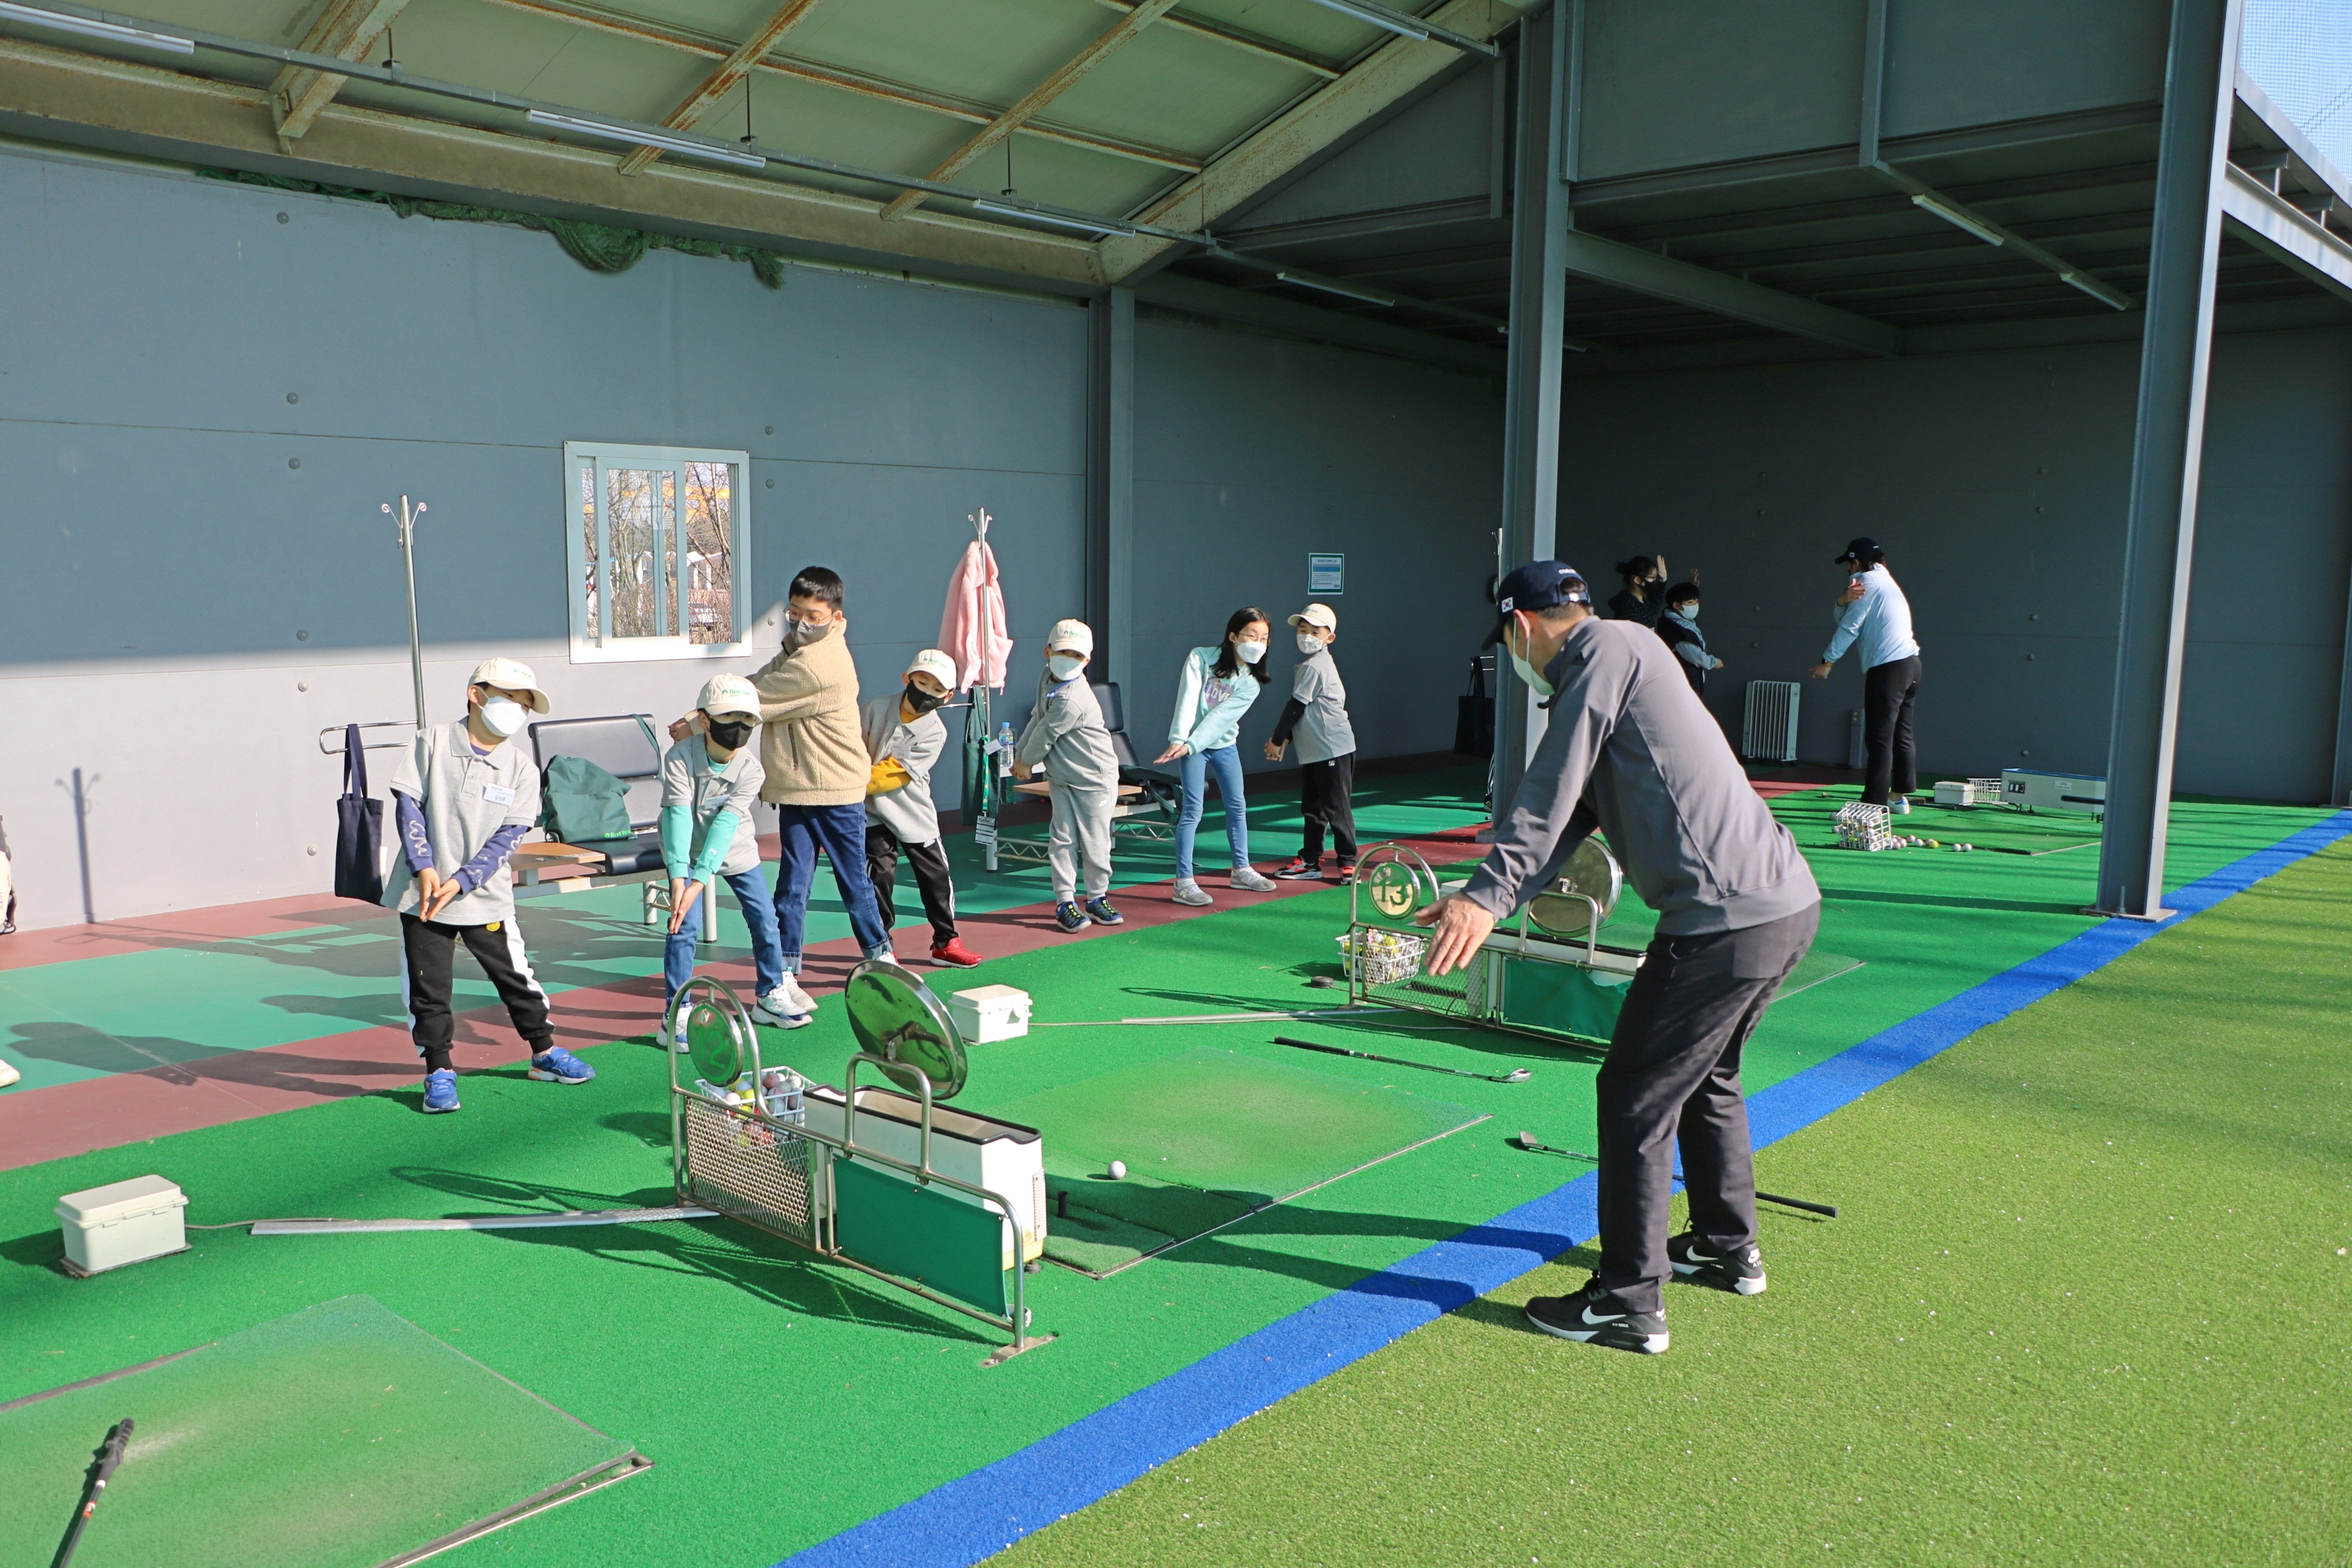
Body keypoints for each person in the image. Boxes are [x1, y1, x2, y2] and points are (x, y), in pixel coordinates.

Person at [1417, 562, 1820, 1356]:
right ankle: (1726, 1244)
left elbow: (1549, 786)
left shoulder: (1605, 653)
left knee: (1635, 1093)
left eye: (1507, 642)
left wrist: (1488, 894)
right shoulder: (1628, 656)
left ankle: (1629, 1301)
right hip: (1781, 904)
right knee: (1708, 1076)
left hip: (1721, 922)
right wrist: (1485, 893)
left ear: (1521, 626)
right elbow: (1574, 814)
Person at [385, 657, 597, 1114]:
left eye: (525, 704)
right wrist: (424, 867)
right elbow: (408, 805)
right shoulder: (432, 741)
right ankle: (439, 1070)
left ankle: (544, 1052)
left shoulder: (521, 768)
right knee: (427, 986)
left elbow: (509, 836)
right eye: (509, 698)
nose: (518, 710)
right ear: (476, 695)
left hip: (485, 896)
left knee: (514, 976)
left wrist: (463, 880)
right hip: (423, 896)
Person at [748, 565, 894, 1009]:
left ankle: (882, 958)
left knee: (854, 883)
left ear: (836, 618)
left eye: (814, 616)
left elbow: (758, 698)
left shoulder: (821, 665)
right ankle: (785, 973)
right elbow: (763, 678)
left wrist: (704, 712)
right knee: (791, 887)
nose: (802, 623)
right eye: (795, 613)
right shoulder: (797, 650)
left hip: (836, 791)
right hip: (797, 789)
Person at [660, 674, 794, 1044]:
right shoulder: (679, 757)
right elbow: (677, 816)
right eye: (728, 716)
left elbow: (726, 823)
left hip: (734, 846)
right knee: (682, 924)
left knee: (764, 918)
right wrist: (679, 878)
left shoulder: (752, 769)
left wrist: (701, 879)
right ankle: (676, 1012)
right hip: (686, 849)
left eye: (747, 718)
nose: (739, 726)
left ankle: (770, 994)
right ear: (704, 720)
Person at [862, 649, 981, 968]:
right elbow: (852, 749)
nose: (927, 692)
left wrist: (851, 784)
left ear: (948, 696)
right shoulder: (874, 709)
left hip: (912, 809)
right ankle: (881, 946)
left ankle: (946, 942)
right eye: (922, 682)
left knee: (935, 874)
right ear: (907, 678)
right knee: (879, 875)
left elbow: (893, 773)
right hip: (869, 809)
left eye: (937, 689)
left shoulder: (935, 731)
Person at [1155, 608, 1279, 906]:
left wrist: (1190, 745)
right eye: (1251, 635)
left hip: (1222, 746)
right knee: (1192, 811)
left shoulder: (1251, 683)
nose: (1258, 643)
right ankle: (1183, 882)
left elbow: (1220, 719)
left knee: (1237, 806)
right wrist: (1180, 740)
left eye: (1264, 638)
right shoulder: (1200, 657)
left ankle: (1241, 870)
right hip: (1190, 746)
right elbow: (1187, 699)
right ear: (1233, 636)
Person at [1012, 619, 1122, 934]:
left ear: (1087, 660)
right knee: (1062, 838)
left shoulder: (1074, 698)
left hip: (1095, 781)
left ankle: (1097, 897)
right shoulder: (1047, 678)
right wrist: (1019, 755)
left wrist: (1026, 761)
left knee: (1096, 843)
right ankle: (1065, 902)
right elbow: (1038, 716)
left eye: (1077, 655)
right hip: (1062, 777)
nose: (1069, 660)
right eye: (1063, 652)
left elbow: (1046, 734)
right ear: (1047, 651)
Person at [1809, 536, 1921, 811]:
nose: (1848, 570)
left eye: (1848, 565)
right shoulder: (1884, 579)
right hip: (1911, 665)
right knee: (1901, 733)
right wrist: (1841, 601)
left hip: (1888, 669)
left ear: (1856, 562)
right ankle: (1897, 797)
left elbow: (1850, 627)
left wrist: (1827, 662)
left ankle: (1872, 804)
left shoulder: (1866, 581)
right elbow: (1847, 617)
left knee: (1878, 738)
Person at [1268, 602, 1359, 882]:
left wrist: (1277, 740)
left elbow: (1295, 707)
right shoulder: (1312, 665)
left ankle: (1349, 863)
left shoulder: (1315, 666)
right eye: (1302, 630)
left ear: (1330, 638)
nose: (1306, 635)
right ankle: (1310, 860)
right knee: (1313, 808)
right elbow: (1306, 711)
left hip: (1332, 749)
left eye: (1315, 631)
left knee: (1336, 808)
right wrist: (1286, 739)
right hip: (1315, 750)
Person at [1653, 582, 1723, 697]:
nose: (1695, 606)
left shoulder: (1672, 618)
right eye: (1690, 603)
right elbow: (1695, 655)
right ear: (1676, 605)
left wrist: (1692, 587)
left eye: (1696, 602)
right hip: (1684, 683)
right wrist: (1713, 662)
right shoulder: (1677, 629)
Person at [1605, 554, 1694, 628]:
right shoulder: (1628, 606)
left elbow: (1656, 603)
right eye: (1652, 578)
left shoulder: (1642, 602)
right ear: (1637, 580)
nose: (1655, 582)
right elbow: (1637, 637)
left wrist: (1662, 580)